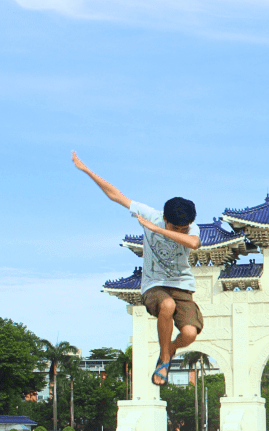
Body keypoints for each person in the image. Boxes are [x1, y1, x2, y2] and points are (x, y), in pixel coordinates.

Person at [72, 152, 202, 386]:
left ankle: (170, 349)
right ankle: (164, 359)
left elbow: (193, 243)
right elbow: (116, 195)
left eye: (184, 228)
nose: (181, 231)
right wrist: (87, 170)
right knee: (167, 305)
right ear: (164, 218)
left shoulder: (189, 229)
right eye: (176, 228)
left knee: (190, 334)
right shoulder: (150, 214)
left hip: (182, 286)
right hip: (154, 285)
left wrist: (157, 230)